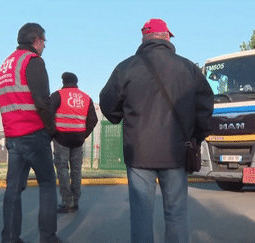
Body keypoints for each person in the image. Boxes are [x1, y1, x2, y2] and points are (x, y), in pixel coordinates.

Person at [99, 18, 214, 243]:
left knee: (141, 216)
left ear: (144, 38)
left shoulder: (126, 67)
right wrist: (195, 137)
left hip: (140, 153)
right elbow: (205, 109)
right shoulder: (188, 68)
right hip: (177, 152)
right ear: (167, 37)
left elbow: (107, 103)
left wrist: (123, 117)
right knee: (176, 215)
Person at [0, 23, 63, 243]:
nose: (44, 46)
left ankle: (9, 238)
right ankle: (47, 237)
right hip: (34, 133)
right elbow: (42, 101)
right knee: (47, 184)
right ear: (36, 40)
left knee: (13, 190)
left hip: (13, 136)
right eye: (44, 41)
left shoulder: (6, 65)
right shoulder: (32, 61)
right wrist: (51, 129)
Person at [50, 72, 98, 213]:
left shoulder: (57, 95)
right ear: (76, 82)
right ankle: (75, 201)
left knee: (62, 169)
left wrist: (53, 133)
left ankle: (67, 202)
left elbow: (47, 114)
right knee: (76, 170)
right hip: (78, 139)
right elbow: (93, 120)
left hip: (61, 138)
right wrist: (83, 134)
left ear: (63, 81)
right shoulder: (86, 97)